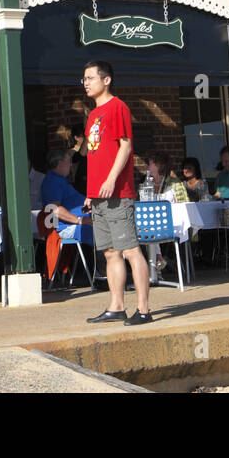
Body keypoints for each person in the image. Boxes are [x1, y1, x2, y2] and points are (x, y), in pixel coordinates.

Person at [81, 60, 151, 326]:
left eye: (91, 78)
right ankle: (116, 305)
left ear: (106, 80)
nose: (86, 83)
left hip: (118, 192)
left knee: (131, 249)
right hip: (98, 195)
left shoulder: (117, 107)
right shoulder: (92, 115)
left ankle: (143, 309)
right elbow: (96, 155)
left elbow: (125, 146)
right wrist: (90, 192)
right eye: (84, 79)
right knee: (110, 252)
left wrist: (111, 179)